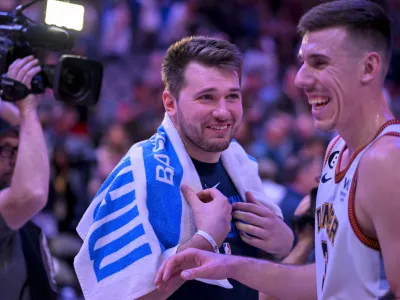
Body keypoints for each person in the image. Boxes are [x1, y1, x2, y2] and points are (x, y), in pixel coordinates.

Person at [154, 1, 400, 299]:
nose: (300, 79)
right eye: (303, 62)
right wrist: (230, 265)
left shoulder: (388, 160)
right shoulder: (336, 148)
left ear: (368, 67)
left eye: (320, 63)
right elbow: (329, 280)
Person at [74, 36, 294, 300]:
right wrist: (205, 239)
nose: (223, 112)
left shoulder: (240, 162)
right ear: (170, 103)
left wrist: (283, 244)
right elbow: (117, 296)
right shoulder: (139, 171)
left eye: (232, 96)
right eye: (207, 97)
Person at [0, 56, 56, 299]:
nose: (17, 158)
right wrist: (27, 108)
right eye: (6, 149)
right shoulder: (15, 207)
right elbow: (32, 192)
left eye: (19, 149)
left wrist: (23, 115)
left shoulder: (30, 231)